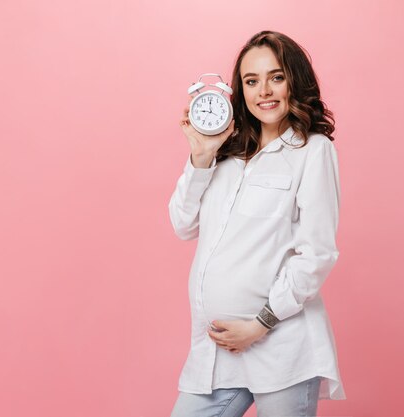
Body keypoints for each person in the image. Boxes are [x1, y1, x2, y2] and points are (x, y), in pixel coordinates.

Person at [168, 30, 345, 417]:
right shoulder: (227, 154)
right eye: (251, 81)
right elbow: (183, 224)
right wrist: (201, 156)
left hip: (280, 344)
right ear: (239, 90)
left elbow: (316, 254)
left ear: (294, 81)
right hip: (216, 350)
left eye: (276, 77)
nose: (264, 90)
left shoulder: (312, 151)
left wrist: (261, 323)